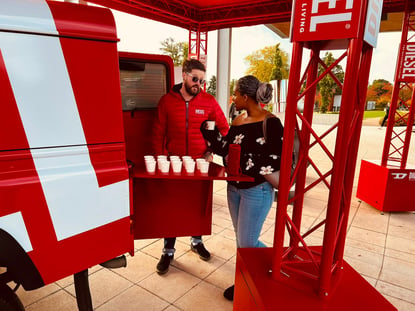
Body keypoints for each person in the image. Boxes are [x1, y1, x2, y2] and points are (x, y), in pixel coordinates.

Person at [201, 75, 283, 301]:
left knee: (248, 241)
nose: (233, 98)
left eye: (236, 94)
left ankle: (275, 267)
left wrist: (248, 163)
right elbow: (225, 149)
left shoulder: (271, 122)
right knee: (241, 239)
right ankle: (246, 281)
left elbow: (277, 159)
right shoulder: (237, 121)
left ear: (245, 97)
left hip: (257, 190)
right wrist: (209, 132)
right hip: (233, 188)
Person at [152, 59, 229, 275]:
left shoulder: (209, 101)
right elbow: (157, 134)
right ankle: (168, 251)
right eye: (195, 79)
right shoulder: (167, 101)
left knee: (197, 206)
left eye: (202, 81)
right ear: (184, 75)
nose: (198, 84)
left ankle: (196, 242)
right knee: (173, 208)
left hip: (200, 166)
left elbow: (224, 129)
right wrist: (161, 161)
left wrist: (212, 150)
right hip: (174, 166)